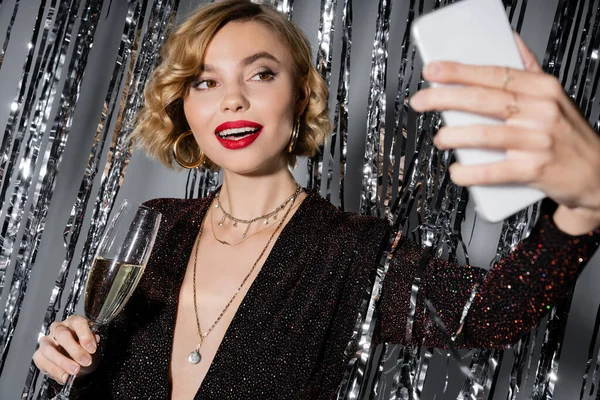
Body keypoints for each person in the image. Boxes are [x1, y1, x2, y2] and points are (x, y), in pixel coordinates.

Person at [33, 1, 600, 399]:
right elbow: (106, 366)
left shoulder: (352, 252)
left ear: (301, 94)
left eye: (260, 74)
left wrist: (586, 202)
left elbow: (491, 313)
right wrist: (73, 359)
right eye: (205, 82)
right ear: (186, 107)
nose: (231, 99)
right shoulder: (156, 227)